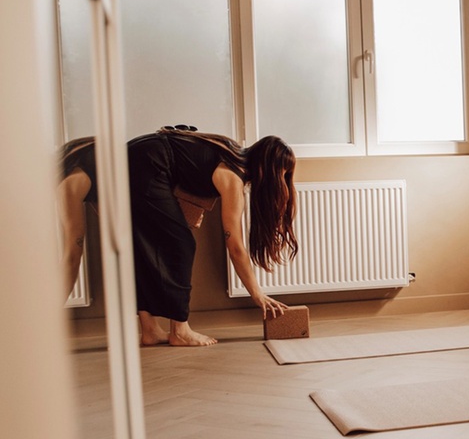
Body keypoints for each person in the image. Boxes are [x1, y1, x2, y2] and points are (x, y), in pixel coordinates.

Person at [58, 125, 299, 346]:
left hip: (144, 160)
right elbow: (234, 243)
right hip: (146, 164)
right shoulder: (232, 174)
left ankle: (150, 330)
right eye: (282, 175)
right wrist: (257, 294)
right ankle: (180, 330)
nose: (283, 184)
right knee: (181, 244)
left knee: (143, 246)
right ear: (265, 169)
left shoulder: (231, 154)